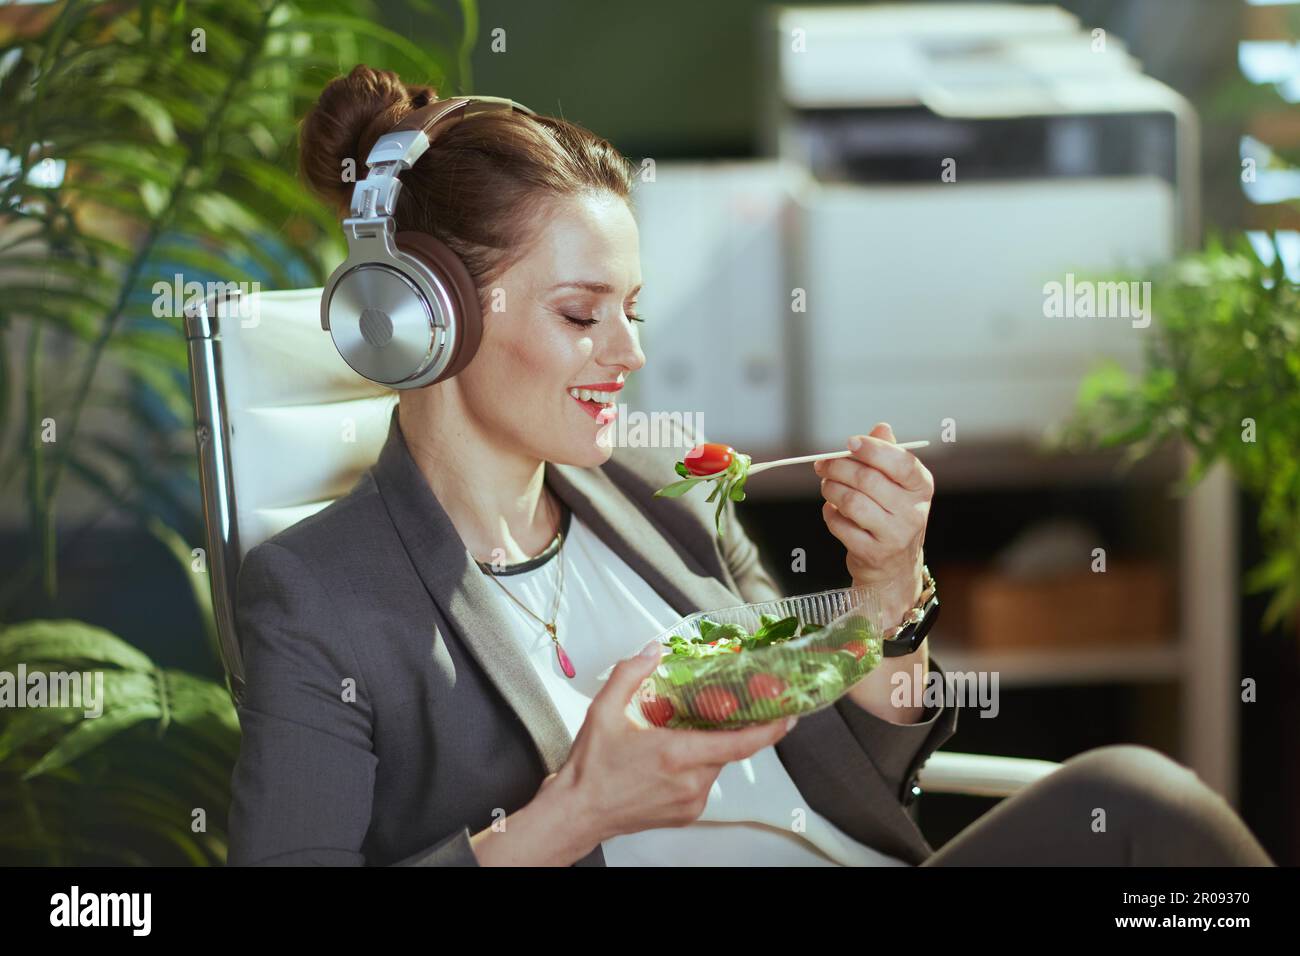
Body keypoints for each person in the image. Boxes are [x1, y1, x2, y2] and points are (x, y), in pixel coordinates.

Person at [225, 64, 1275, 867]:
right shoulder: (320, 597)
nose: (629, 354)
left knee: (1146, 807)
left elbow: (855, 777)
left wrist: (885, 596)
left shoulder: (658, 497)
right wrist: (573, 811)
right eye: (581, 313)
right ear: (424, 321)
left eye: (630, 312)